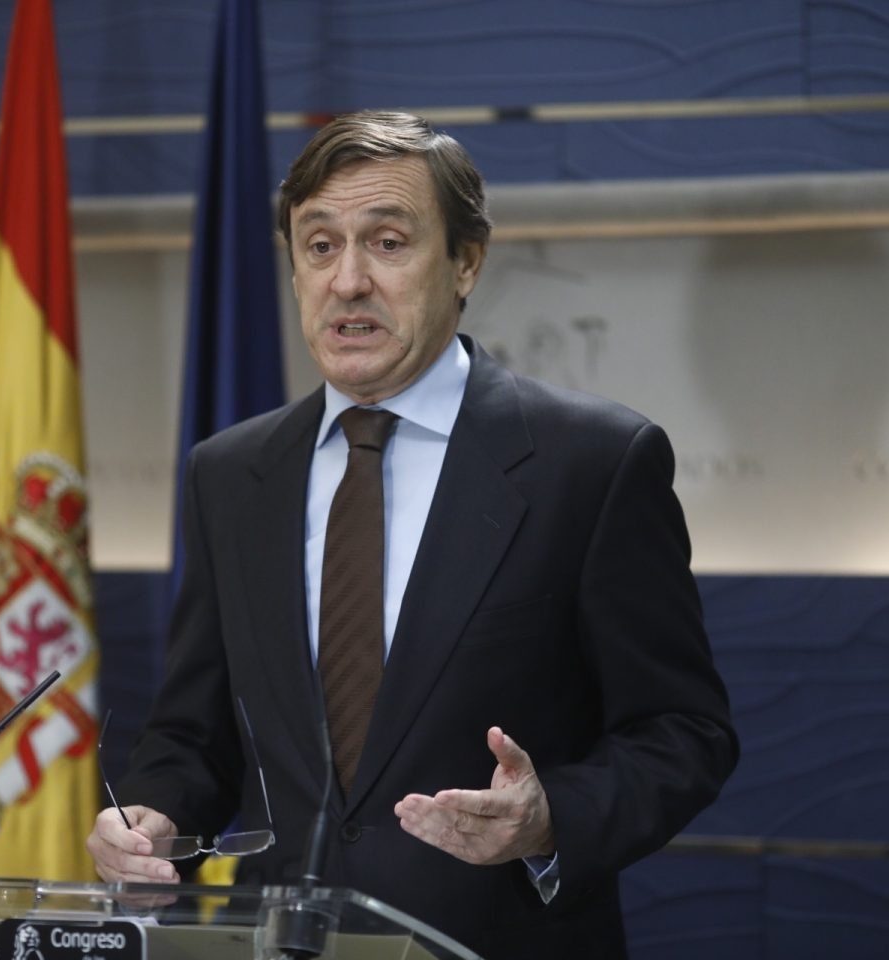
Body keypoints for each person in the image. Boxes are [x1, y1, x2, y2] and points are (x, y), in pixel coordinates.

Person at [87, 110, 738, 958]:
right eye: (319, 246)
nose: (348, 280)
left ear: (466, 261)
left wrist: (549, 819)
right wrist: (153, 813)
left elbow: (683, 732)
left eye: (388, 243)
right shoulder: (232, 474)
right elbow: (194, 734)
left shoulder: (593, 463)